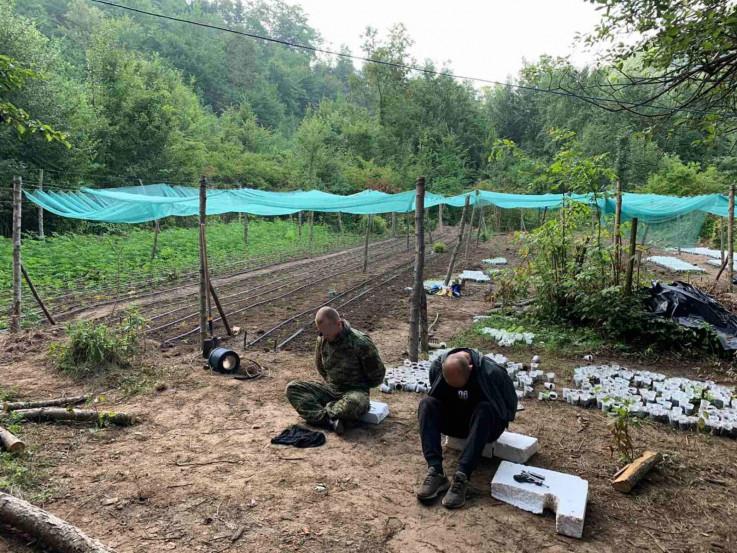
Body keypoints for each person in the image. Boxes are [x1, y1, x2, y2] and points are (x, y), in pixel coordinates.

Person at [416, 348, 518, 509]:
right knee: (427, 404)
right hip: (456, 421)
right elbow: (436, 396)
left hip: (483, 426)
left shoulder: (492, 373)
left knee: (484, 409)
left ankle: (462, 476)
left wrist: (493, 416)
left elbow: (510, 408)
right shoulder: (437, 367)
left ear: (470, 368)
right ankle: (436, 471)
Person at [285, 307, 385, 434]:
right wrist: (330, 386)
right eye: (321, 333)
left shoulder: (360, 343)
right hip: (331, 389)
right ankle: (331, 420)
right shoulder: (322, 339)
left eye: (327, 333)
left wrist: (361, 388)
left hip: (354, 392)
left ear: (338, 324)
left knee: (355, 403)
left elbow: (377, 375)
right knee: (293, 388)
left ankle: (321, 414)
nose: (324, 337)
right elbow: (320, 366)